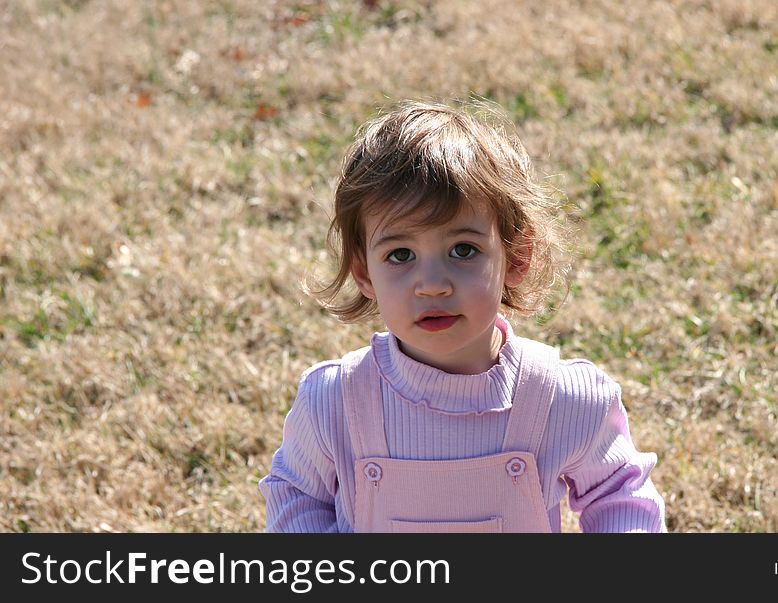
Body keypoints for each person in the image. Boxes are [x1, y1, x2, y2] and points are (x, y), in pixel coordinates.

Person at [259, 99, 666, 532]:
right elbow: (297, 495)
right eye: (400, 255)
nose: (432, 283)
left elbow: (621, 493)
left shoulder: (560, 400)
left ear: (516, 257)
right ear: (364, 274)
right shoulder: (336, 402)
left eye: (463, 250)